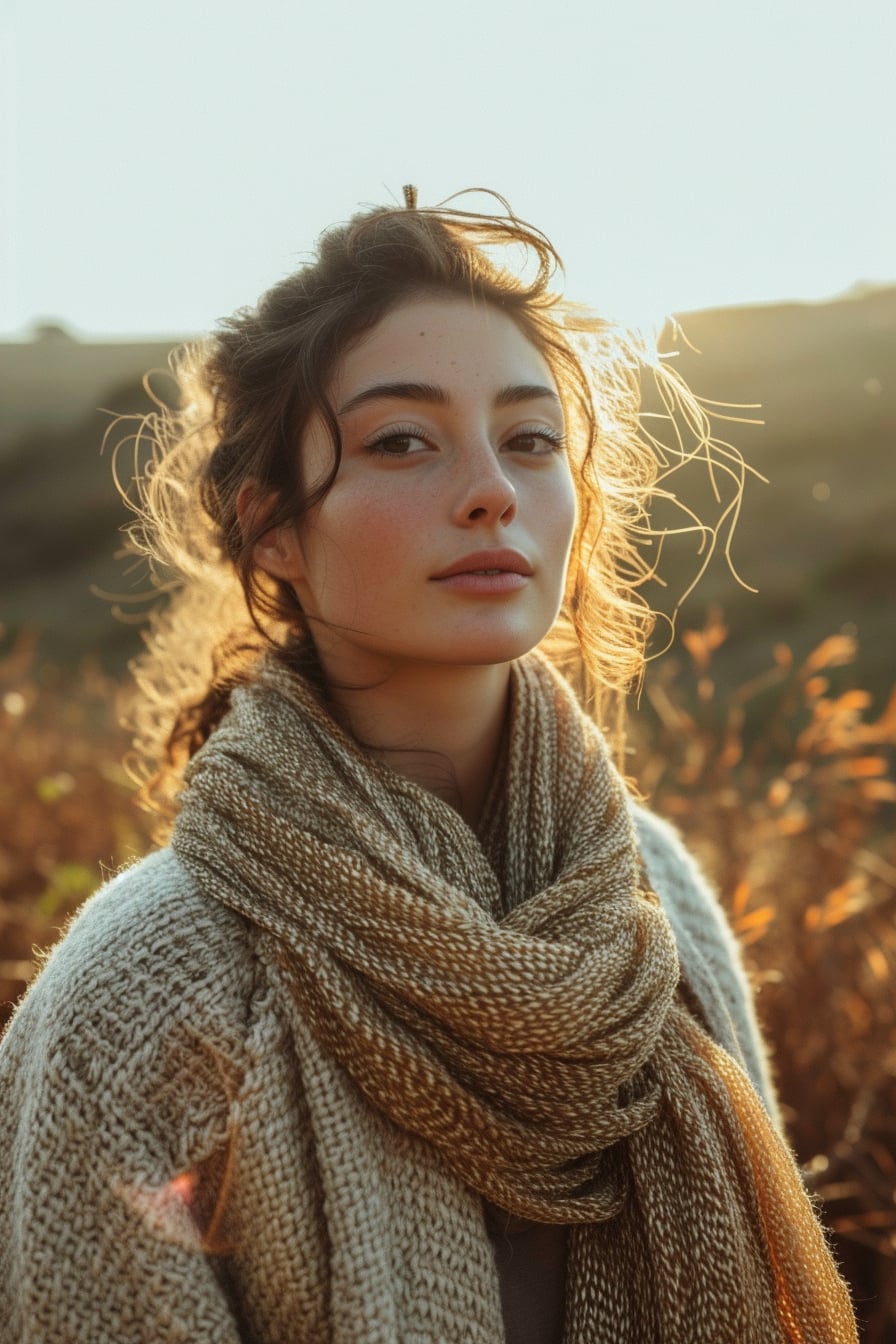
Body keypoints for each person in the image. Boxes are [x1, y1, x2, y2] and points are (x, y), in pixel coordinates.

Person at [0, 188, 856, 1343]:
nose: (491, 489)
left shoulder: (654, 902)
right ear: (273, 529)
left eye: (530, 438)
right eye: (402, 439)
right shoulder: (145, 990)